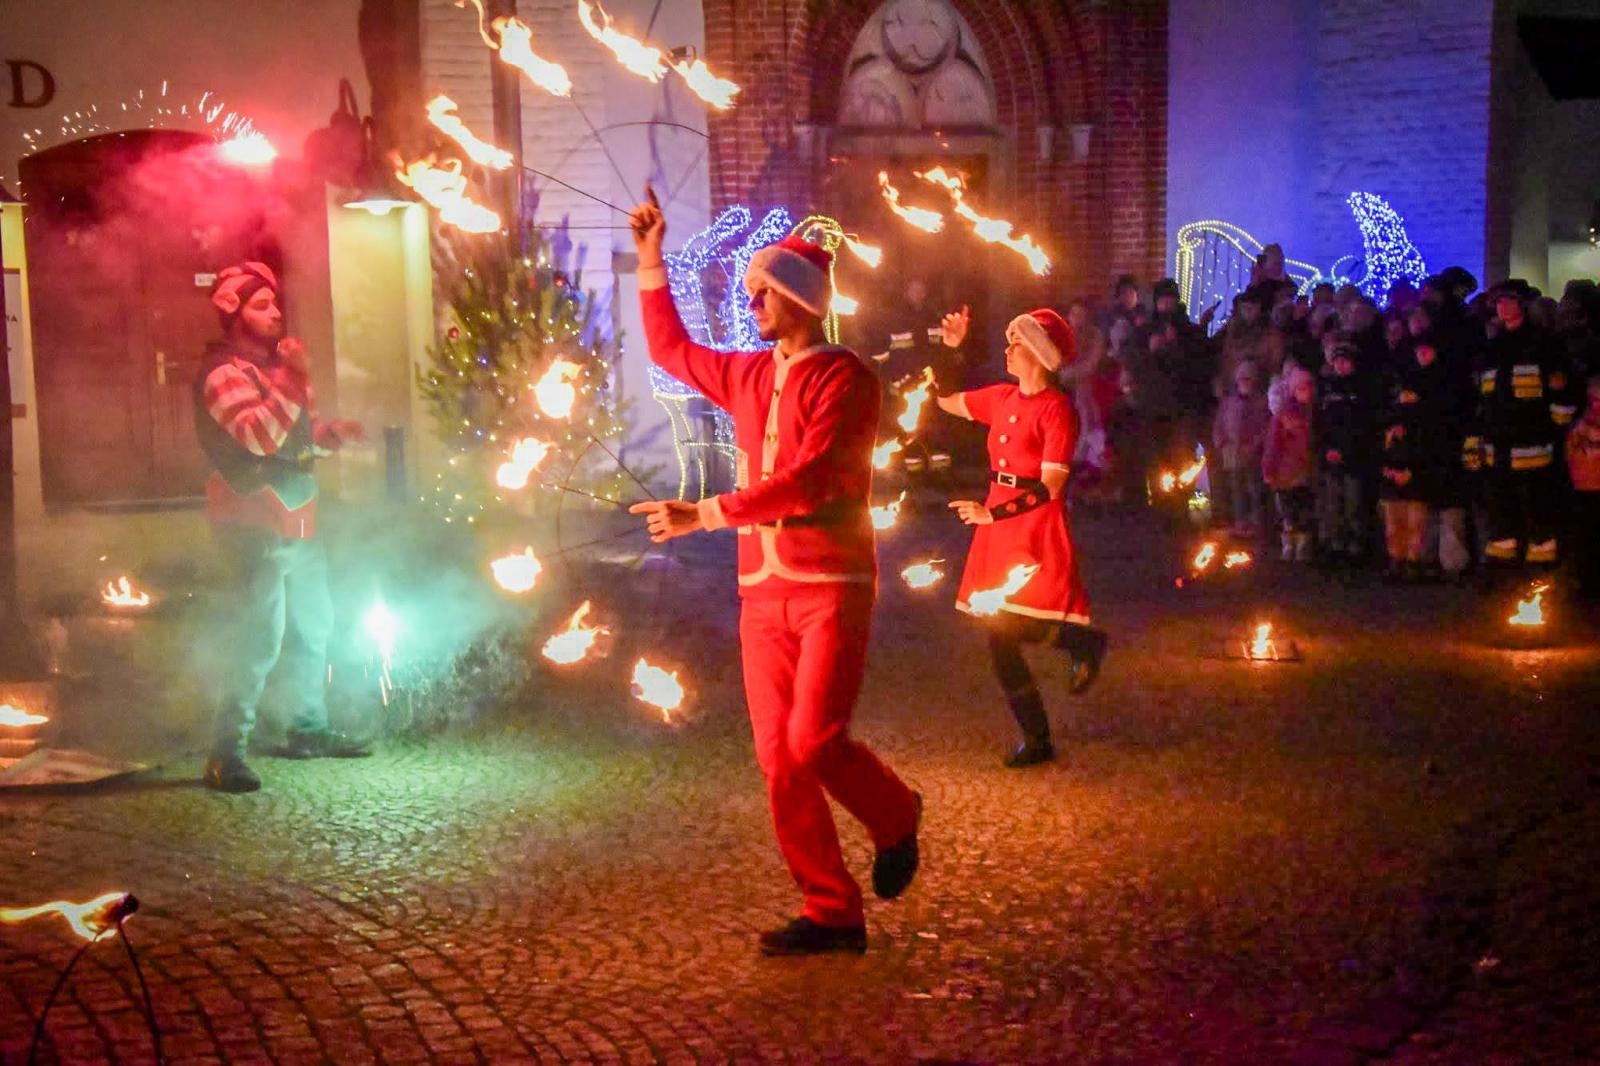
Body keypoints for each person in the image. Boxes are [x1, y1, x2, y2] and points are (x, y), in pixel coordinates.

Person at [626, 188, 921, 957]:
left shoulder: (848, 380)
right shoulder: (750, 375)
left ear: (801, 298)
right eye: (751, 289)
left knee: (817, 739)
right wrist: (651, 259)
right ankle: (831, 912)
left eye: (763, 290)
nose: (750, 300)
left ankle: (895, 816)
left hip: (830, 586)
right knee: (778, 759)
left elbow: (816, 477)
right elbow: (671, 352)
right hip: (762, 593)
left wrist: (709, 512)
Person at [197, 262, 369, 794]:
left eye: (275, 304)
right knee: (259, 638)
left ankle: (307, 729)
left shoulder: (275, 370)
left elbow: (294, 441)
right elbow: (259, 437)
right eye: (261, 305)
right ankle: (225, 753)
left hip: (297, 516)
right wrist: (295, 378)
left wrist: (327, 437)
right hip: (252, 523)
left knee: (313, 626)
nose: (275, 314)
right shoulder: (224, 373)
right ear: (233, 312)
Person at [936, 307, 1107, 768]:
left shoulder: (1058, 410)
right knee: (998, 632)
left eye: (1015, 344)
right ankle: (1039, 732)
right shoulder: (1001, 397)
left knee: (1008, 624)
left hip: (1031, 523)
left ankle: (1075, 655)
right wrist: (952, 351)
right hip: (997, 519)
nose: (1007, 351)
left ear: (1036, 353)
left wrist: (994, 515)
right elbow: (947, 399)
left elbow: (1050, 486)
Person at [1467, 279, 1581, 572]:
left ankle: (1540, 568)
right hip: (1499, 444)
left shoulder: (1544, 345)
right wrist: (1477, 436)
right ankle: (1504, 567)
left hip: (1534, 443)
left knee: (1537, 505)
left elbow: (1563, 390)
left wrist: (1555, 430)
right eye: (1499, 303)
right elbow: (1484, 397)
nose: (1503, 308)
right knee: (1501, 506)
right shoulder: (1491, 349)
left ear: (1523, 305)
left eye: (1509, 301)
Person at [1263, 366, 1317, 561]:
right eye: (1301, 388)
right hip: (1286, 472)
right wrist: (1269, 469)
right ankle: (1289, 544)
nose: (1306, 392)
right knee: (1288, 511)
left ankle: (1302, 546)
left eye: (1308, 388)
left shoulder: (1313, 415)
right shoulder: (1283, 417)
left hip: (1305, 471)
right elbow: (1272, 445)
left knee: (1304, 509)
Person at [1212, 359, 1270, 537]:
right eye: (1242, 379)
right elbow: (1220, 422)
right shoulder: (1229, 401)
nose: (1244, 383)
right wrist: (1220, 441)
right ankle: (1240, 522)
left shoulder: (1260, 402)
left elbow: (1264, 427)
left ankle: (1257, 522)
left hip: (1250, 452)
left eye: (1248, 379)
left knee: (1254, 488)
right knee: (1236, 489)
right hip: (1231, 452)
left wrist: (1254, 444)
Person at [1565, 375, 1600, 601]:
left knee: (1589, 539)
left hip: (1587, 487)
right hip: (1585, 488)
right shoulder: (1582, 424)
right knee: (1588, 539)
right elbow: (1571, 452)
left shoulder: (1582, 423)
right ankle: (1588, 587)